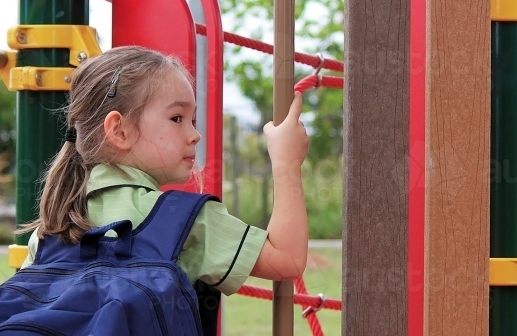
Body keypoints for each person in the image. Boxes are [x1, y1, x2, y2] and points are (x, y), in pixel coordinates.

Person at [18, 44, 309, 293]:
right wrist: (286, 161)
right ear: (119, 130)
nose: (194, 135)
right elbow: (287, 259)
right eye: (177, 118)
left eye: (192, 119)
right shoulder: (181, 220)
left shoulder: (52, 228)